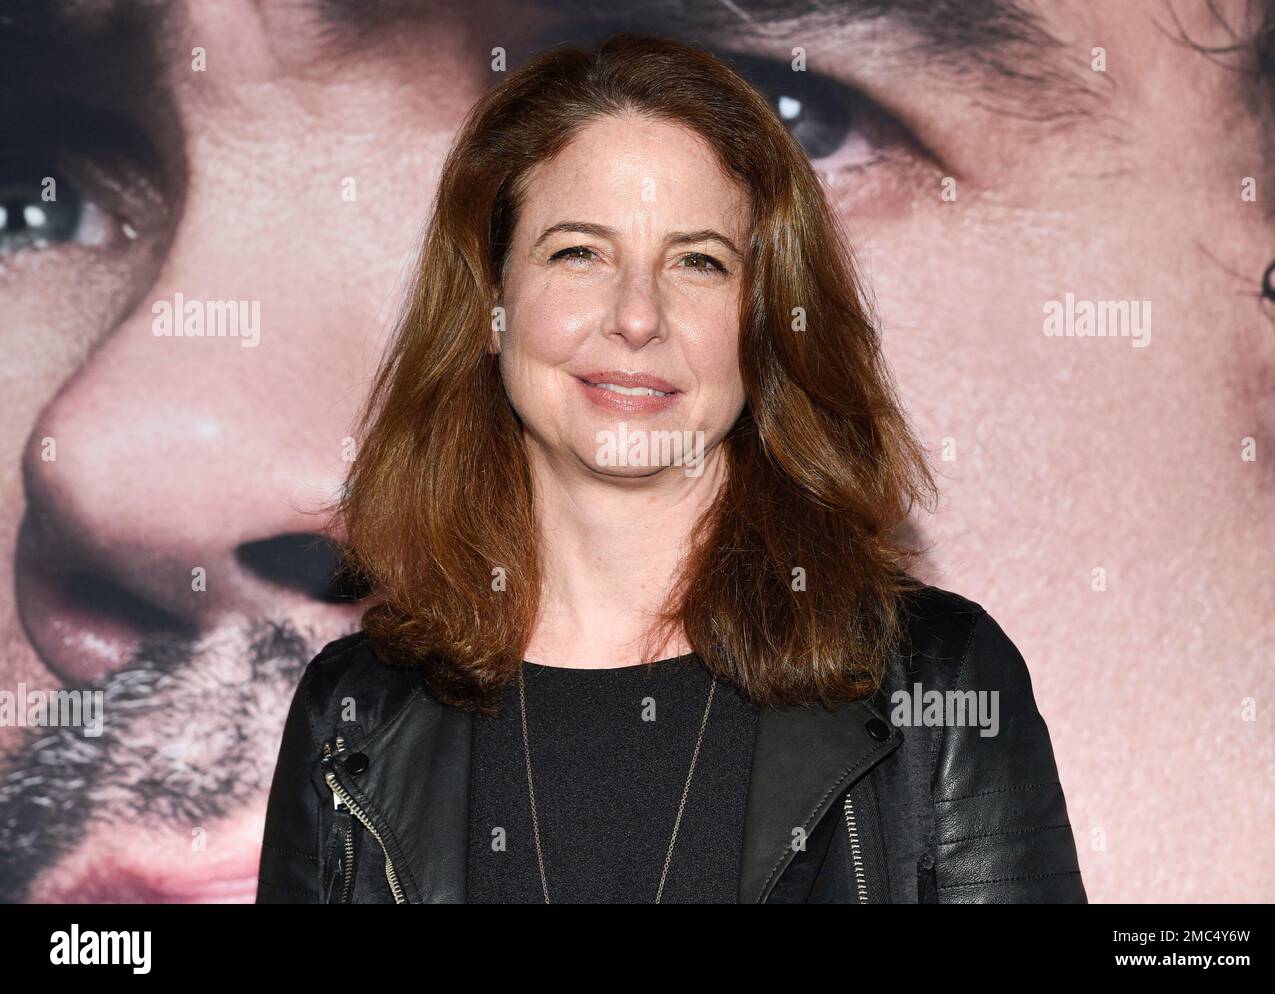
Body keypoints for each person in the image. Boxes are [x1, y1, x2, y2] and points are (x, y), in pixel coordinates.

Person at [255, 32, 1086, 904]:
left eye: (699, 262)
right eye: (578, 252)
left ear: (764, 321)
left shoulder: (937, 683)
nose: (638, 317)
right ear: (491, 304)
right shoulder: (354, 715)